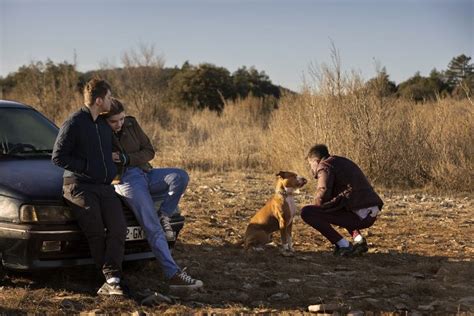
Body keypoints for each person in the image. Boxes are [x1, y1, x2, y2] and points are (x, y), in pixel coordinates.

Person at [103, 98, 203, 290]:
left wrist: (126, 158)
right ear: (104, 120)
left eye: (121, 119)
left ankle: (164, 214)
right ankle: (172, 274)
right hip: (126, 180)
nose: (119, 124)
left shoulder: (131, 123)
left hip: (146, 172)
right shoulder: (99, 132)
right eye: (114, 121)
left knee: (180, 176)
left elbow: (149, 151)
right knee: (153, 227)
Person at [52, 79, 127, 296]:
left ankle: (112, 277)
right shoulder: (74, 122)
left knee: (118, 228)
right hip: (79, 185)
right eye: (110, 97)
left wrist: (113, 163)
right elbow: (58, 157)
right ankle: (111, 278)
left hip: (103, 186)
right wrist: (87, 166)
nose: (112, 101)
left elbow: (107, 152)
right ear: (99, 100)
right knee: (96, 231)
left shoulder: (103, 125)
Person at [300, 144, 383, 256]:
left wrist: (317, 209)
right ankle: (359, 240)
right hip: (369, 211)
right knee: (338, 206)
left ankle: (343, 245)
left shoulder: (324, 166)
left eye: (310, 164)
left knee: (307, 212)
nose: (311, 168)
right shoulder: (340, 162)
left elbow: (323, 192)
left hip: (361, 215)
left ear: (316, 160)